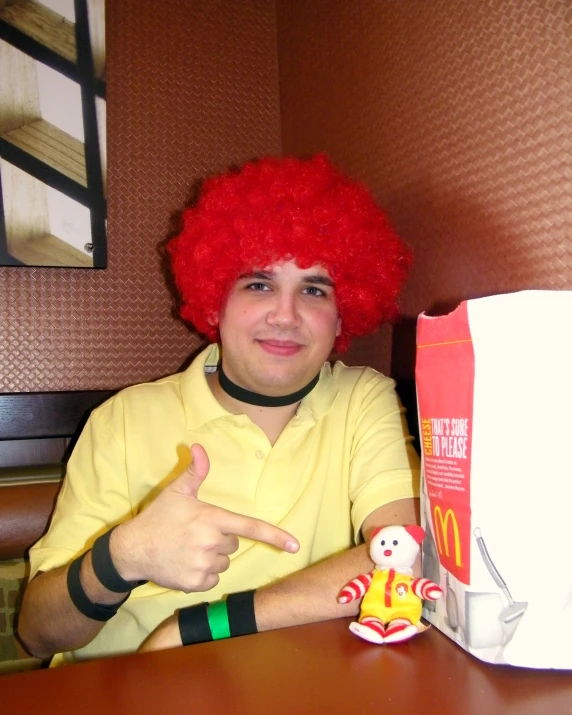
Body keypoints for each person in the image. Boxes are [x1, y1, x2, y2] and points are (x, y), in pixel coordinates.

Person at [18, 154, 420, 665]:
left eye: (314, 290)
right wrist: (124, 556)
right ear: (215, 301)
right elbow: (37, 632)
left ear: (342, 317)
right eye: (259, 284)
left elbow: (404, 556)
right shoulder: (123, 420)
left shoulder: (362, 400)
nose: (285, 314)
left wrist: (198, 627)